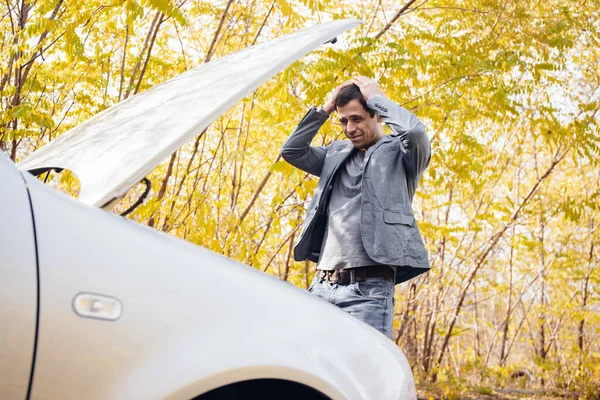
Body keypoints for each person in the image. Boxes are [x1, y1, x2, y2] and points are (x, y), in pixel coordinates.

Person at [280, 76, 431, 339]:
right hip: (322, 287)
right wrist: (325, 108)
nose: (350, 128)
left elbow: (415, 133)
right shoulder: (334, 153)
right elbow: (292, 151)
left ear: (377, 116)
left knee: (365, 374)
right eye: (344, 121)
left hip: (369, 292)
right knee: (316, 371)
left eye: (357, 119)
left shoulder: (403, 153)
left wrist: (377, 99)